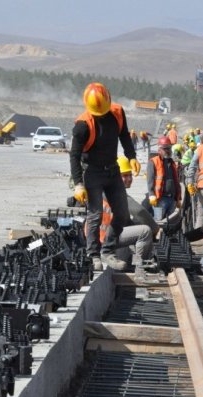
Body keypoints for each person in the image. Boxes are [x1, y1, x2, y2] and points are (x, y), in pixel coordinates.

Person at [70, 82, 140, 271]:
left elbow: (124, 135)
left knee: (122, 214)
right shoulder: (82, 125)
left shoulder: (117, 112)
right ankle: (93, 255)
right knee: (95, 215)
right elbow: (74, 155)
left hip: (112, 170)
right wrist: (78, 184)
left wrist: (131, 156)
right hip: (91, 172)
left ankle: (107, 251)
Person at [86, 156, 155, 278]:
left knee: (137, 226)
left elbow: (126, 221)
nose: (129, 179)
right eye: (124, 175)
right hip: (104, 237)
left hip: (102, 236)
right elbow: (140, 212)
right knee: (145, 231)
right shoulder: (115, 193)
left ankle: (143, 260)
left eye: (130, 175)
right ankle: (139, 267)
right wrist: (156, 229)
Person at [146, 136, 181, 219]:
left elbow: (176, 181)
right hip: (160, 199)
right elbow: (149, 180)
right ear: (159, 150)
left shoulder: (172, 163)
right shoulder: (153, 162)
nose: (168, 151)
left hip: (172, 199)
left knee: (170, 223)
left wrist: (178, 198)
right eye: (165, 149)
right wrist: (151, 195)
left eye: (169, 148)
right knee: (159, 221)